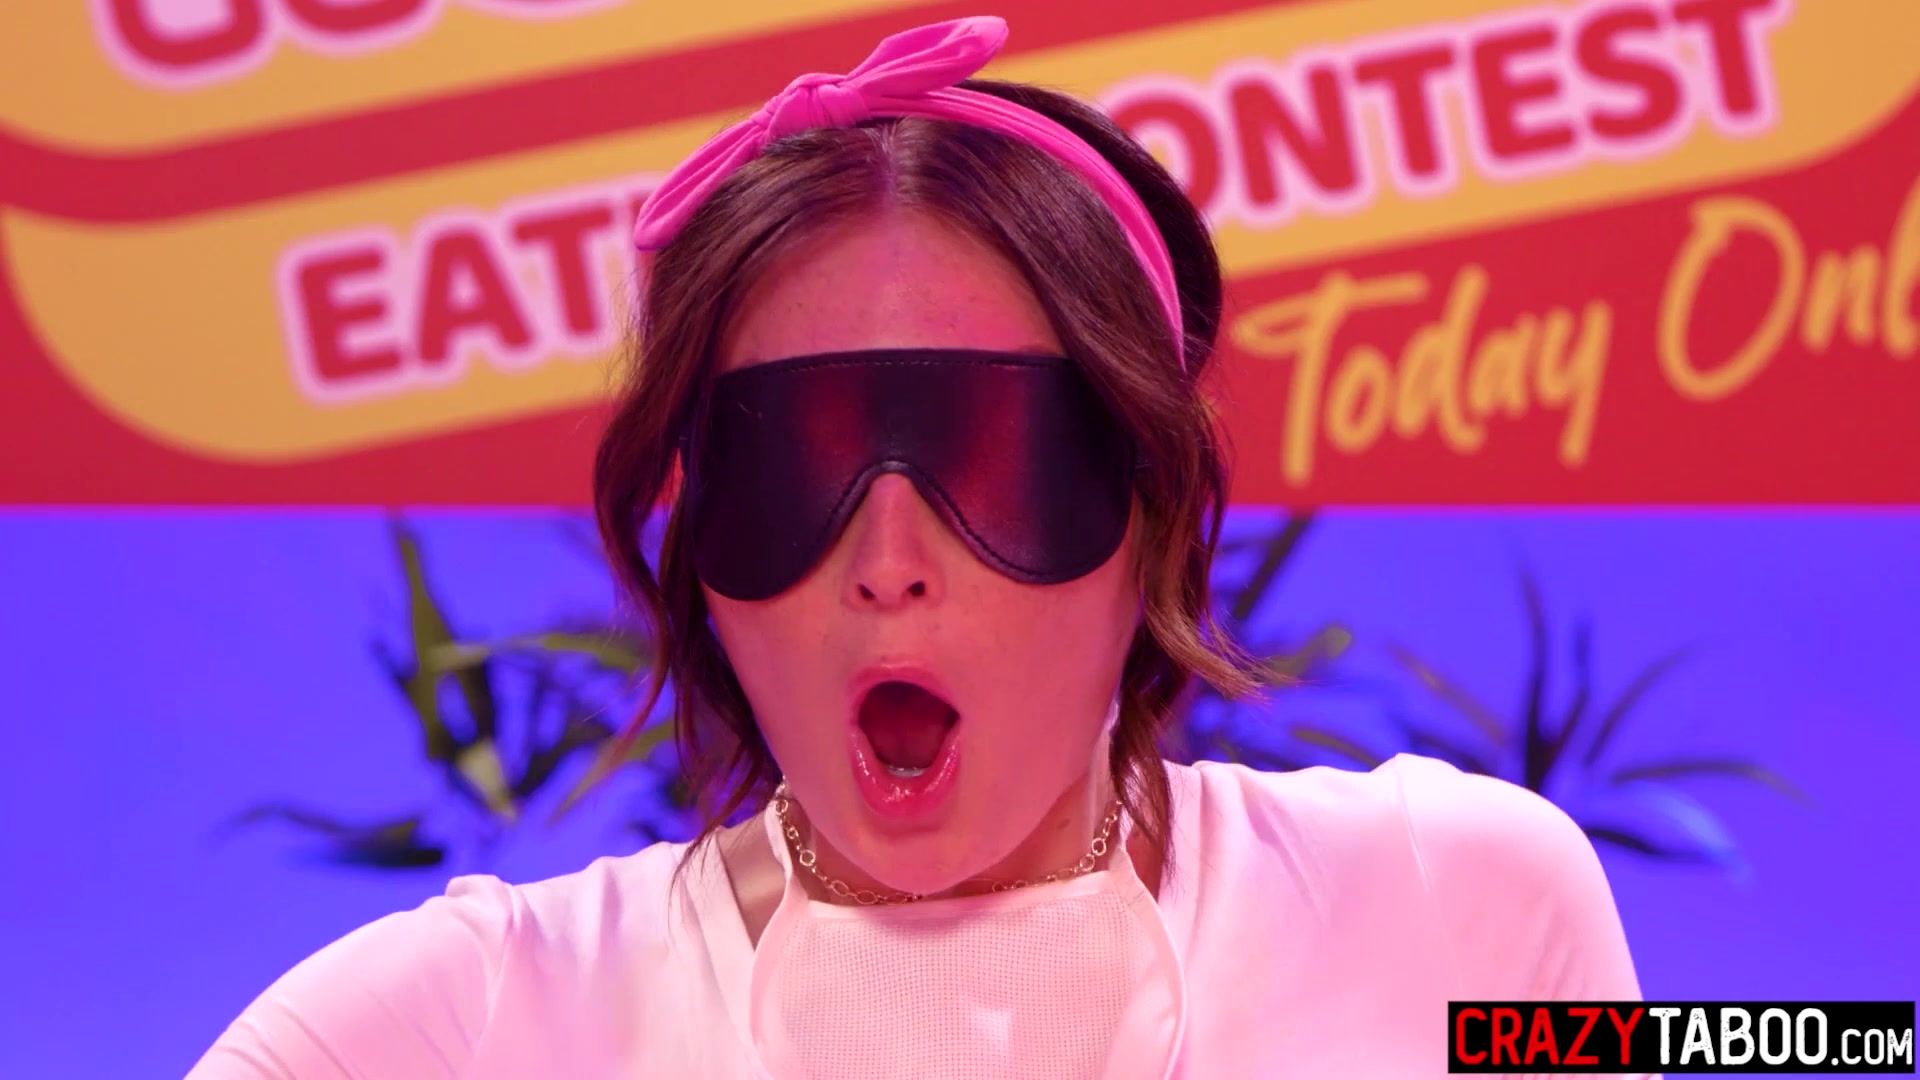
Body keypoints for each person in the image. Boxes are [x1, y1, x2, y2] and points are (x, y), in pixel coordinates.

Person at [188, 16, 1650, 1079]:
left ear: (1147, 504)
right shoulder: (461, 1026)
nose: (888, 557)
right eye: (794, 467)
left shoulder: (1464, 912)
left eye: (989, 457)